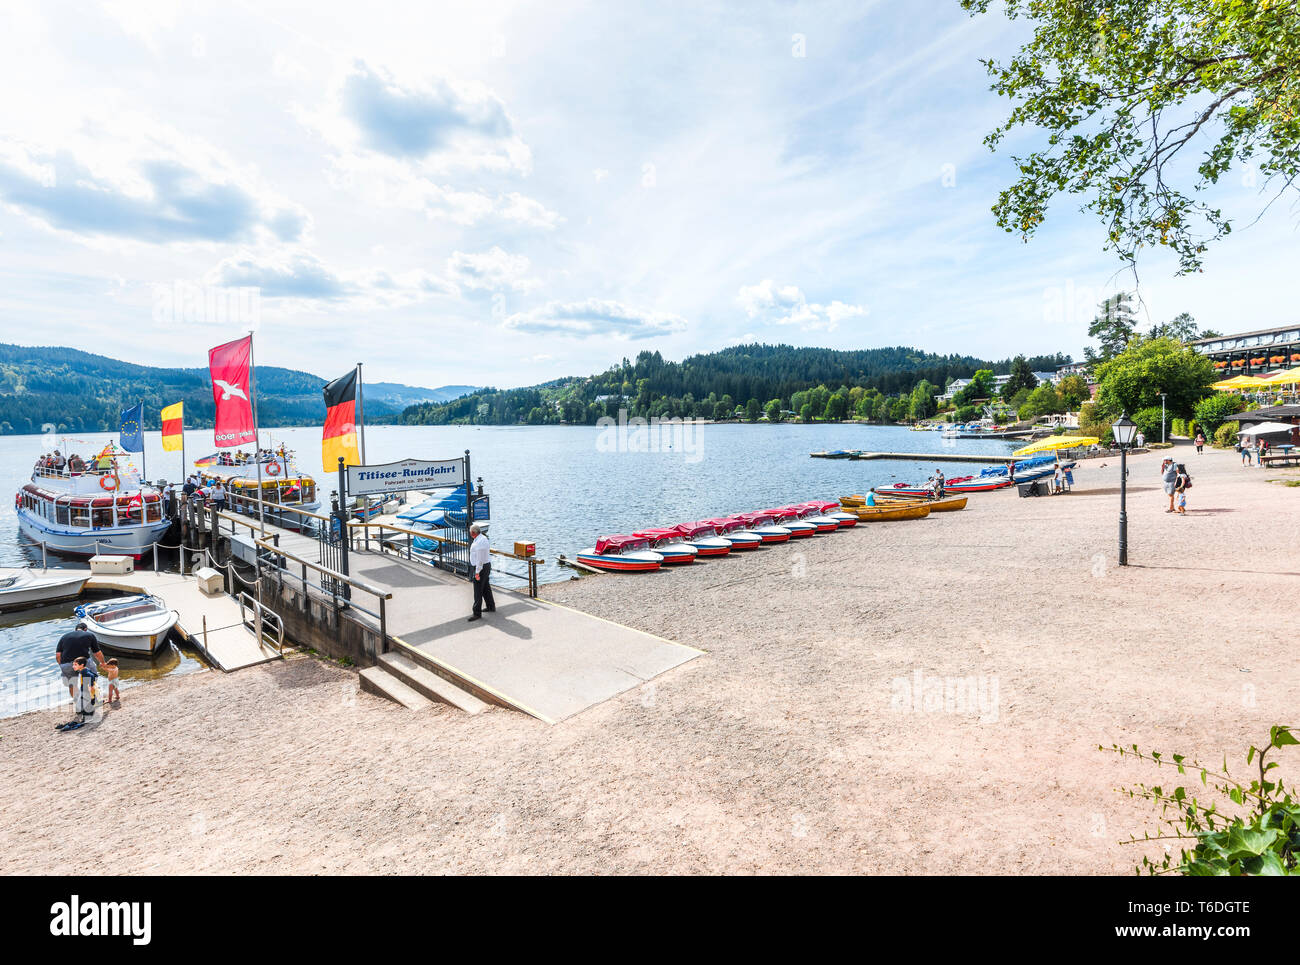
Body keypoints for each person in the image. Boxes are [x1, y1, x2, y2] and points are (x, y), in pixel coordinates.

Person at [55, 622, 106, 697]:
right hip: (84, 662)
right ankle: (92, 697)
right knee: (92, 678)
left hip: (67, 664)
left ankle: (78, 701)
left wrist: (61, 665)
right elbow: (97, 653)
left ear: (75, 629)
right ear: (85, 629)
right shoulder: (89, 635)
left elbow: (58, 655)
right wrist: (102, 662)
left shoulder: (64, 637)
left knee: (72, 684)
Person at [467, 522, 495, 622]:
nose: (469, 534)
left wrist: (477, 572)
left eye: (470, 532)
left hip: (481, 567)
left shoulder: (480, 542)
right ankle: (491, 606)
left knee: (478, 590)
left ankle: (476, 613)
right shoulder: (480, 539)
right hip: (484, 566)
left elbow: (479, 559)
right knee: (486, 587)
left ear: (473, 533)